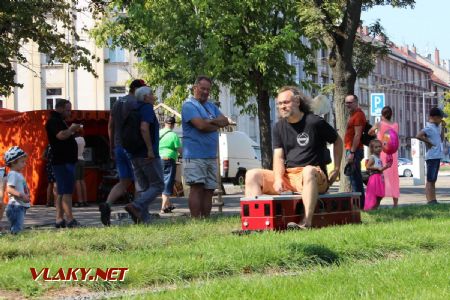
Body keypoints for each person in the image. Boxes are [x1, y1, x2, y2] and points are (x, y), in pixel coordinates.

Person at [245, 86, 343, 229]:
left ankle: (306, 222)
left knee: (308, 170)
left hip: (314, 175)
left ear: (297, 101)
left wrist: (336, 168)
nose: (282, 106)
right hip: (289, 175)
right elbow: (278, 157)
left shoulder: (314, 122)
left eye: (286, 102)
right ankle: (255, 224)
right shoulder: (278, 127)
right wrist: (278, 179)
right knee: (252, 175)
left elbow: (337, 141)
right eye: (279, 104)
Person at [100, 79, 147, 226]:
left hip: (119, 147)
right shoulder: (136, 104)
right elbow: (141, 127)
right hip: (133, 148)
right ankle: (139, 212)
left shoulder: (117, 102)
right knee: (141, 181)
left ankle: (107, 204)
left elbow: (110, 125)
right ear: (137, 90)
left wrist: (112, 146)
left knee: (124, 181)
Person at [181, 75, 229, 218]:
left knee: (209, 189)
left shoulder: (211, 105)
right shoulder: (189, 105)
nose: (205, 92)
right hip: (194, 155)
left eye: (208, 89)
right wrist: (214, 124)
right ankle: (196, 221)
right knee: (197, 188)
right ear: (195, 88)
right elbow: (200, 126)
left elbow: (225, 121)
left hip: (210, 155)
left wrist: (209, 122)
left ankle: (206, 219)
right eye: (202, 88)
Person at [124, 86, 164, 224]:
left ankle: (143, 218)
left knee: (144, 187)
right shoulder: (147, 108)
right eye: (152, 94)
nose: (154, 97)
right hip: (146, 154)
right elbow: (144, 128)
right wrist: (150, 149)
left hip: (133, 153)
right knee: (158, 185)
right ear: (146, 97)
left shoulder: (133, 108)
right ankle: (136, 206)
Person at [45, 99, 81, 228]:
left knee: (61, 191)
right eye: (67, 109)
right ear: (59, 108)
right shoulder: (54, 121)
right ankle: (70, 219)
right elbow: (60, 136)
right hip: (63, 161)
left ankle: (59, 219)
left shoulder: (60, 121)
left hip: (64, 160)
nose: (69, 112)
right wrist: (71, 129)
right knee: (66, 191)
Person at [368, 106, 400, 207]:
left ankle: (377, 202)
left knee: (381, 175)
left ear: (382, 115)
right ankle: (395, 203)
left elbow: (370, 132)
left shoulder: (379, 124)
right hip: (393, 153)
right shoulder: (395, 125)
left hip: (382, 152)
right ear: (391, 115)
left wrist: (376, 133)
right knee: (394, 177)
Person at [416, 107, 447, 205]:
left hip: (437, 156)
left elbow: (441, 139)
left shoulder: (437, 127)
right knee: (430, 180)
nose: (441, 120)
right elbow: (418, 135)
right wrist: (429, 142)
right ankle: (430, 200)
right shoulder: (429, 127)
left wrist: (443, 128)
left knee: (433, 180)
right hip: (432, 157)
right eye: (440, 118)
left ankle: (433, 199)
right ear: (435, 117)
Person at [344, 94, 366, 208]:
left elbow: (357, 135)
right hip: (352, 149)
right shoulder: (353, 115)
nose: (348, 104)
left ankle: (360, 206)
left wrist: (352, 152)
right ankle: (359, 205)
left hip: (354, 150)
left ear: (356, 102)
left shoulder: (358, 115)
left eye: (350, 102)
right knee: (354, 178)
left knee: (355, 179)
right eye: (346, 102)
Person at [3, 146, 30, 234]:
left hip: (19, 206)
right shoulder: (13, 174)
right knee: (17, 228)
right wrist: (21, 195)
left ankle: (15, 238)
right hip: (15, 206)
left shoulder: (17, 174)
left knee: (17, 226)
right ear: (14, 163)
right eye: (22, 162)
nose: (24, 164)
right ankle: (15, 240)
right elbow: (9, 189)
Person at [159, 116, 182, 214]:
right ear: (173, 125)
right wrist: (182, 154)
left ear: (165, 123)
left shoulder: (159, 133)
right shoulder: (173, 135)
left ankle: (168, 205)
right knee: (168, 182)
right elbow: (179, 149)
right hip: (169, 159)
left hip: (158, 160)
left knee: (163, 182)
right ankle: (163, 207)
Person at [364, 139, 392, 211]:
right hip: (374, 178)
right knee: (374, 195)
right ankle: (370, 209)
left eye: (380, 146)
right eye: (376, 147)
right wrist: (376, 168)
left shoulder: (379, 158)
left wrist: (386, 166)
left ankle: (375, 209)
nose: (379, 148)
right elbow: (367, 166)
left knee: (380, 195)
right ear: (372, 149)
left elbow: (381, 169)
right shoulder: (372, 157)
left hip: (380, 178)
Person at [74, 130, 88, 207]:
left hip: (76, 160)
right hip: (82, 159)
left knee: (77, 180)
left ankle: (80, 201)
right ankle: (85, 200)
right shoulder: (82, 139)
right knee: (82, 180)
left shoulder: (74, 140)